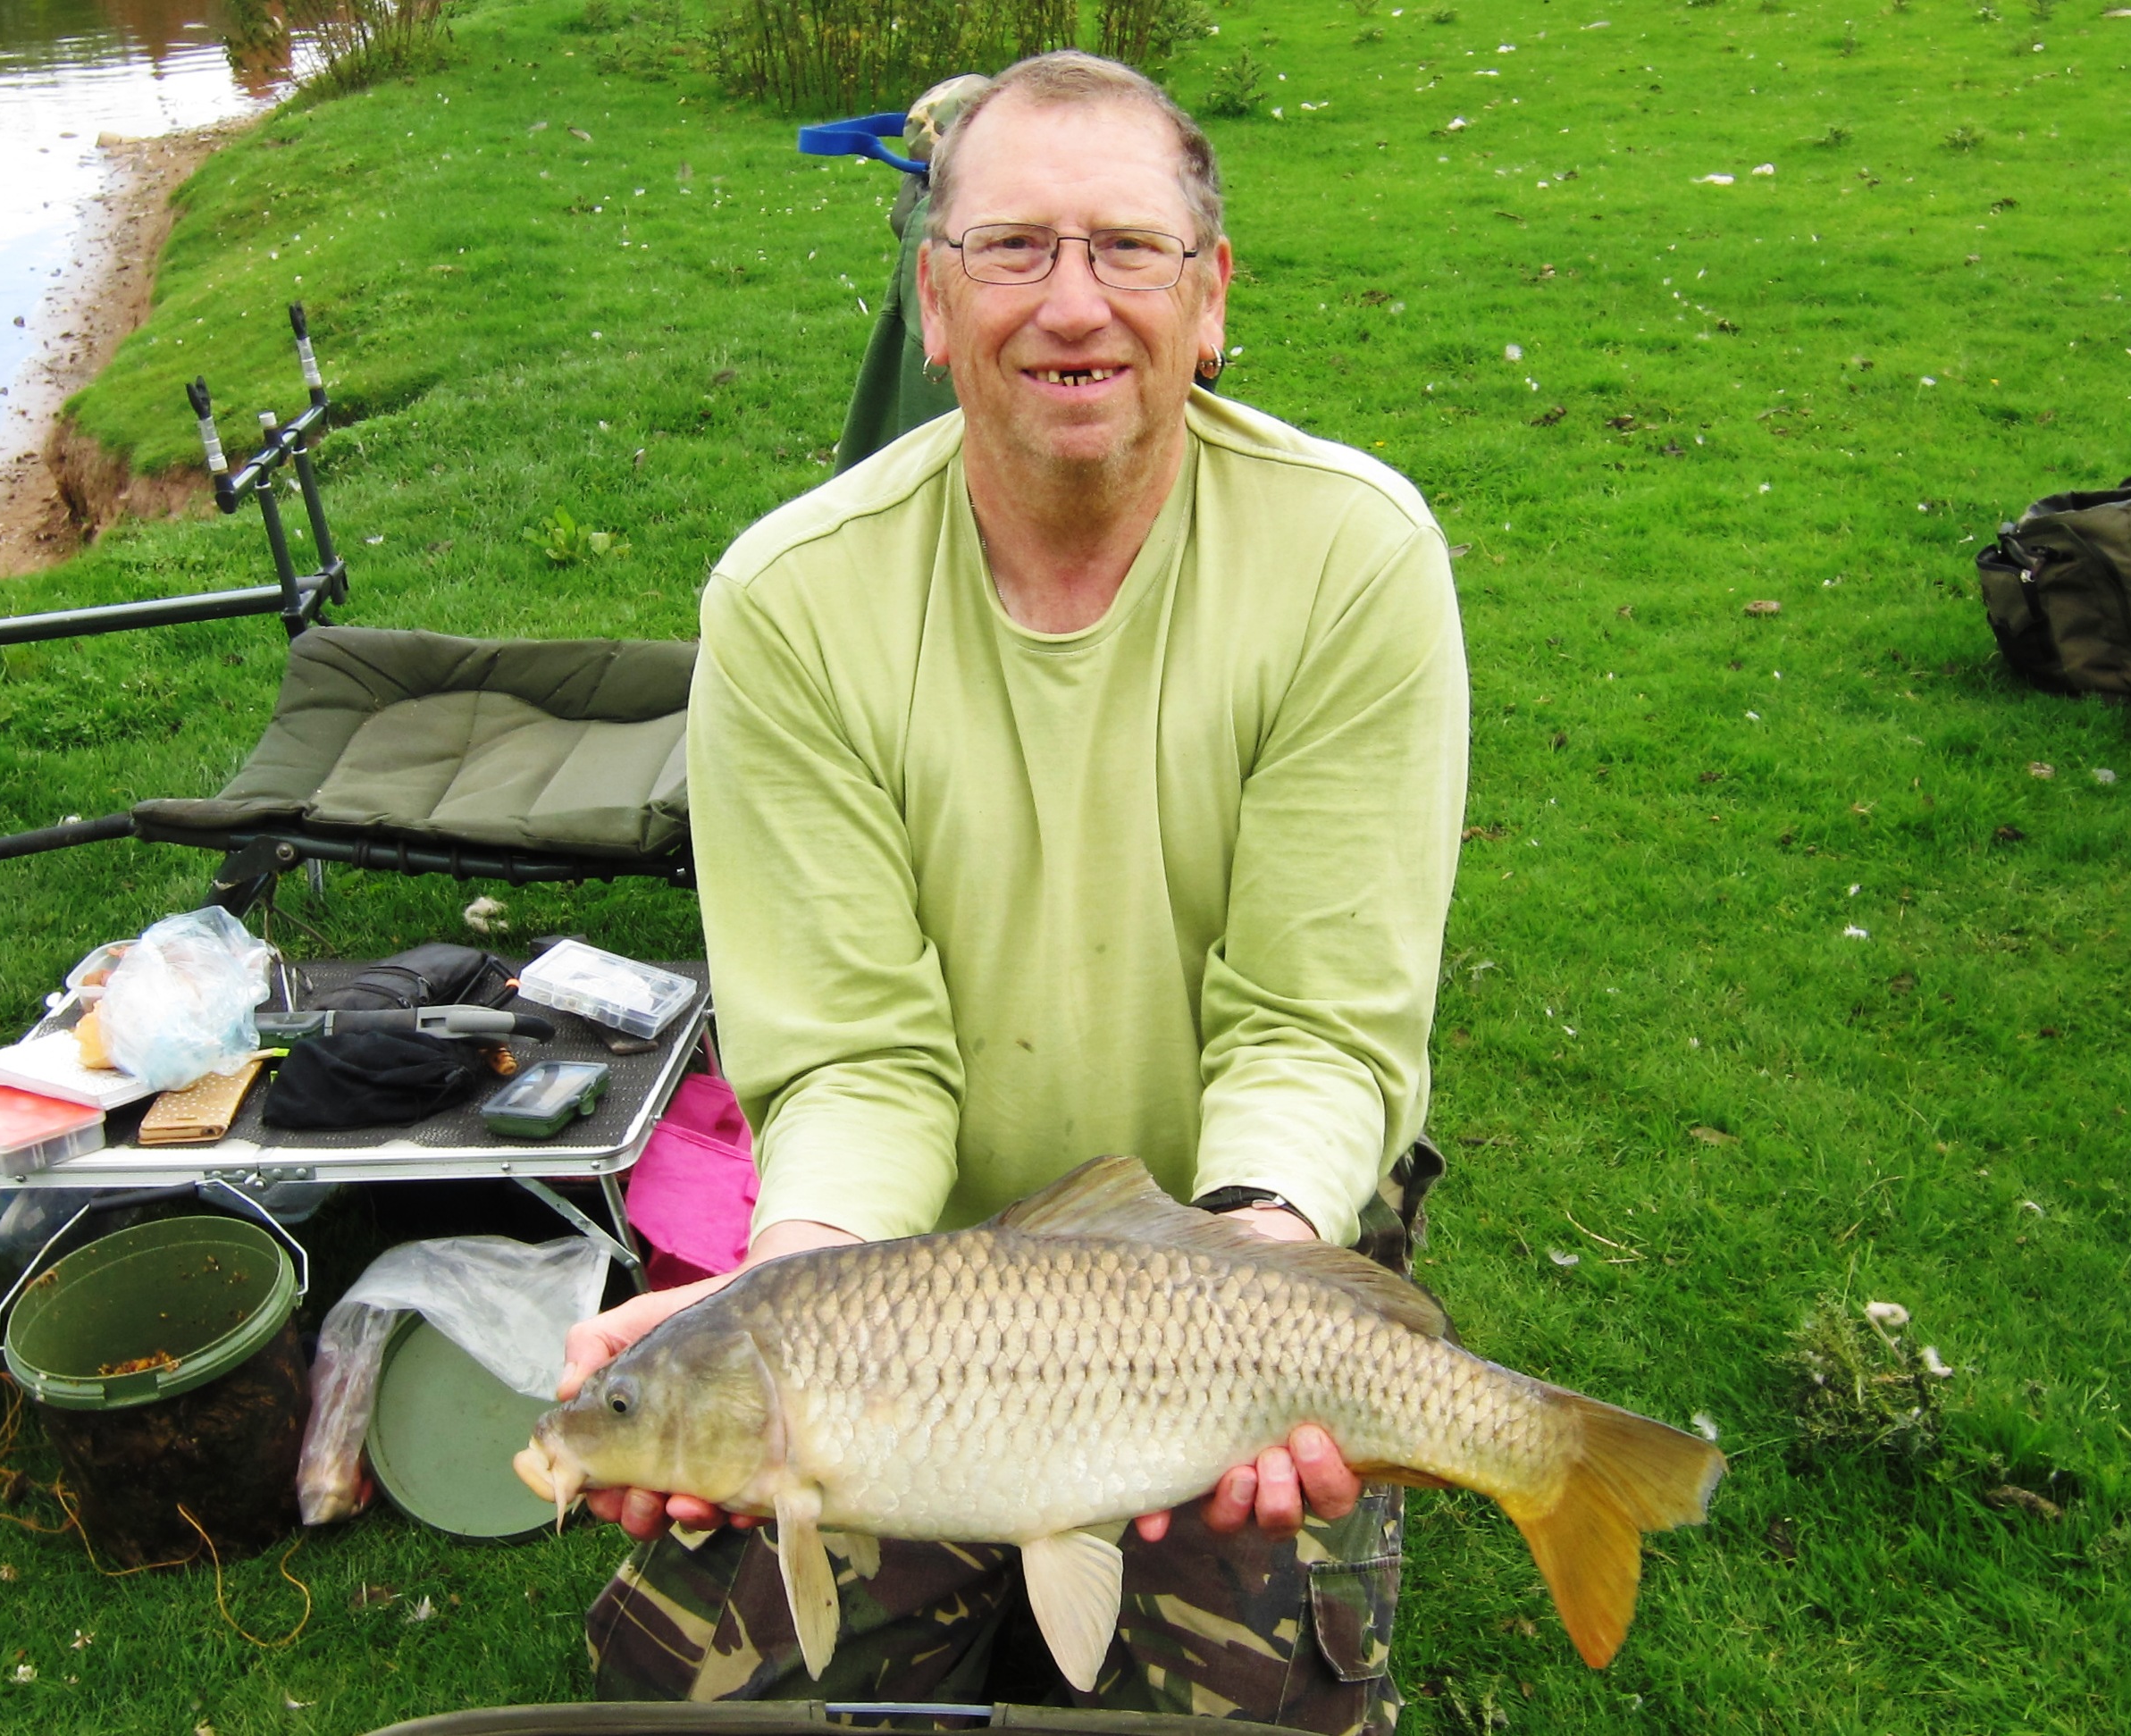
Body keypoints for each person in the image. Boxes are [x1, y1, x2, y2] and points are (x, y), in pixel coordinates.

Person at [562, 48, 1468, 1735]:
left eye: (1127, 249)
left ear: (1209, 298)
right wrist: (797, 1301)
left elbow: (1315, 1019)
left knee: (1260, 1711)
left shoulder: (1354, 556)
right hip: (919, 1275)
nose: (1072, 304)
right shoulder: (787, 600)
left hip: (1238, 1226)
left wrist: (1257, 1260)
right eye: (1011, 249)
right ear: (931, 299)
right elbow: (854, 1056)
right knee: (698, 1702)